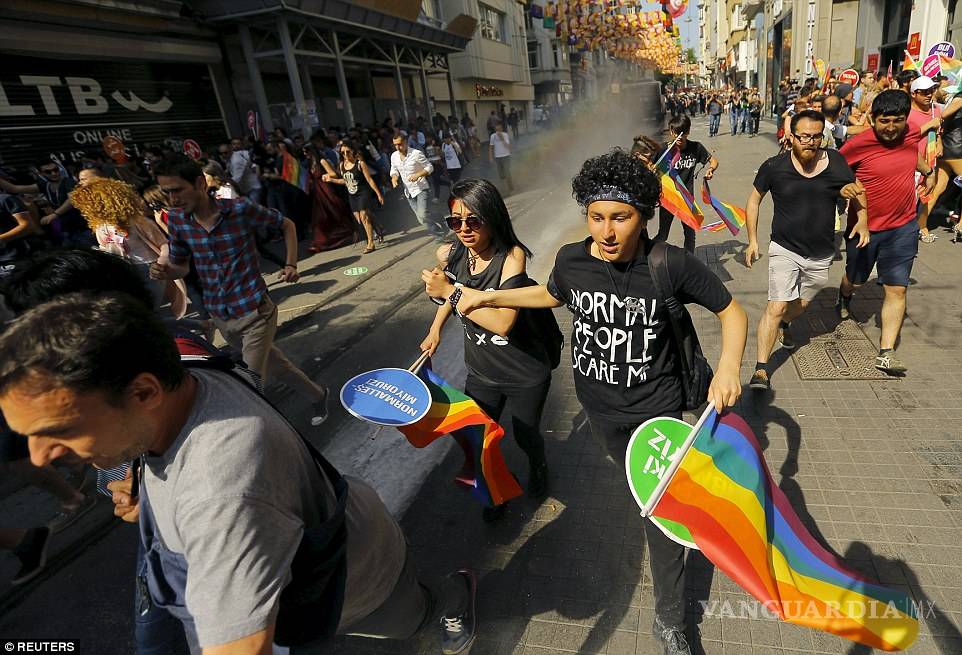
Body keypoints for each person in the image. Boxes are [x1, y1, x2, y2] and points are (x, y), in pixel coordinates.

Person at [0, 292, 478, 655]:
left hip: (359, 579)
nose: (40, 459)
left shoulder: (219, 492)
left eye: (58, 430)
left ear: (144, 393)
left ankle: (457, 593)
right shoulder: (182, 368)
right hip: (317, 555)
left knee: (415, 619)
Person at [451, 149, 747, 655]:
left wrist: (727, 370)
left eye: (620, 217)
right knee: (639, 495)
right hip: (599, 410)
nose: (607, 231)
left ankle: (672, 621)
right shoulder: (572, 258)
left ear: (644, 216)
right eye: (596, 217)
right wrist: (490, 297)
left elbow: (733, 312)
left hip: (655, 411)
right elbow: (551, 295)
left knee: (659, 514)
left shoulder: (668, 264)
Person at [148, 154, 332, 425]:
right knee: (276, 365)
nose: (172, 199)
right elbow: (181, 268)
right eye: (166, 193)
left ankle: (275, 444)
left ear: (199, 183)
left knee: (249, 384)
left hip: (256, 311)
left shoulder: (240, 209)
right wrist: (164, 272)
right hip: (222, 317)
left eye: (177, 190)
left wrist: (291, 264)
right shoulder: (177, 221)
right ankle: (318, 395)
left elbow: (287, 225)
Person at [420, 178, 554, 523]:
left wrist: (448, 289)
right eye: (455, 221)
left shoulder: (512, 256)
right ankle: (495, 494)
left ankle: (538, 467)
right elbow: (453, 298)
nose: (464, 229)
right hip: (481, 371)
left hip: (524, 372)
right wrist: (435, 330)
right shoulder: (452, 254)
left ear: (492, 216)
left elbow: (503, 323)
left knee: (525, 435)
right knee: (478, 440)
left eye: (473, 220)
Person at [744, 110, 870, 391]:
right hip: (784, 248)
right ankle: (761, 369)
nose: (810, 143)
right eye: (804, 137)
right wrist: (753, 240)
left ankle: (785, 325)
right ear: (792, 137)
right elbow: (753, 201)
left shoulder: (836, 162)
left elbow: (856, 189)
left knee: (799, 306)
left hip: (821, 252)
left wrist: (862, 220)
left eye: (816, 137)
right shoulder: (774, 167)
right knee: (776, 306)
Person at [837, 90, 938, 374]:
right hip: (865, 229)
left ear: (906, 119)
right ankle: (844, 295)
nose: (891, 127)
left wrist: (928, 173)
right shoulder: (858, 145)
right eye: (884, 121)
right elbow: (834, 173)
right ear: (873, 118)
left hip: (904, 227)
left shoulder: (911, 133)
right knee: (855, 280)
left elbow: (913, 156)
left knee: (897, 289)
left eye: (897, 120)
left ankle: (886, 352)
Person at [68, 177, 188, 318]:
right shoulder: (100, 226)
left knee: (148, 310)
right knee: (140, 312)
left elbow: (164, 244)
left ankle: (198, 325)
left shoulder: (138, 222)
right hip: (124, 271)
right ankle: (199, 325)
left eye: (92, 203)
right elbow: (104, 247)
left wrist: (162, 262)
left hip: (148, 268)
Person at [654, 115, 718, 253]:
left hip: (687, 199)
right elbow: (651, 168)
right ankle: (645, 255)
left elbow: (714, 161)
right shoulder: (664, 150)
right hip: (668, 198)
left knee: (690, 234)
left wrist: (710, 170)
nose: (679, 137)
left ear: (688, 132)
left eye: (683, 133)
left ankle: (689, 261)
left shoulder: (696, 148)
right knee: (662, 235)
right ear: (671, 132)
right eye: (676, 133)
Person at [0, 161, 92, 246]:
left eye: (55, 170)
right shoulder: (45, 185)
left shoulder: (68, 182)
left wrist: (54, 214)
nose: (54, 173)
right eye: (48, 172)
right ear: (41, 173)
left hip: (81, 228)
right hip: (66, 229)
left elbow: (72, 200)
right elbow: (14, 188)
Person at [324, 141, 385, 254]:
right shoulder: (342, 165)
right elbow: (346, 181)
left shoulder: (360, 164)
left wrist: (378, 194)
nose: (346, 155)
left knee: (364, 216)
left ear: (353, 151)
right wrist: (331, 180)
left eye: (348, 152)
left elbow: (369, 180)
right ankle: (378, 226)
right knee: (360, 218)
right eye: (343, 153)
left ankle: (370, 243)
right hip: (352, 195)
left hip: (363, 192)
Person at [390, 133, 447, 241]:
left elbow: (430, 167)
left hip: (421, 188)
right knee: (421, 219)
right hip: (408, 191)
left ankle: (440, 222)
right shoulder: (394, 156)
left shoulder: (416, 154)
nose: (398, 147)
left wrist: (418, 174)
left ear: (406, 142)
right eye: (395, 145)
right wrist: (394, 178)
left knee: (423, 214)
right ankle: (439, 231)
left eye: (400, 144)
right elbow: (394, 170)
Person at [908, 76, 945, 242]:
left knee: (926, 195)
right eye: (924, 92)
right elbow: (905, 137)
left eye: (931, 91)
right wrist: (930, 125)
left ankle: (922, 226)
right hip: (912, 161)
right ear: (914, 94)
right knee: (909, 197)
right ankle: (904, 231)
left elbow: (938, 132)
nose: (929, 95)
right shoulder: (907, 112)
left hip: (930, 162)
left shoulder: (935, 109)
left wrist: (939, 142)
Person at [227, 137, 262, 204]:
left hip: (253, 187)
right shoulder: (230, 157)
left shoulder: (246, 154)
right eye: (234, 144)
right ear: (231, 146)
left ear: (242, 145)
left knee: (255, 210)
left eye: (238, 144)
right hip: (244, 189)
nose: (236, 146)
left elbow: (255, 166)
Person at [488, 121, 514, 195]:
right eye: (496, 127)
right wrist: (490, 157)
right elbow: (491, 147)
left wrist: (502, 139)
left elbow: (508, 146)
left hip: (506, 156)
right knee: (501, 175)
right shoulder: (493, 136)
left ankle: (510, 189)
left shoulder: (505, 135)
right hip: (498, 157)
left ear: (501, 127)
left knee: (507, 172)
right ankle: (504, 188)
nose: (498, 128)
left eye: (499, 127)